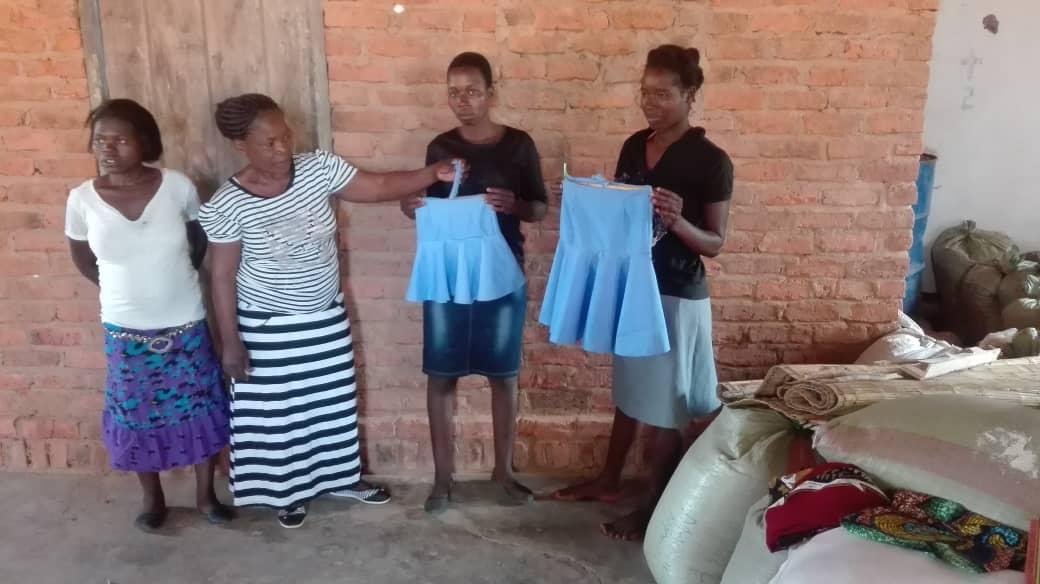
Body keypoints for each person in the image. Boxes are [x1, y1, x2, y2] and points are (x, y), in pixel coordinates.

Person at [200, 93, 464, 529]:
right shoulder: (229, 203)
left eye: (285, 136)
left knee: (332, 405)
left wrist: (431, 174)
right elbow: (222, 276)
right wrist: (230, 343)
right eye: (269, 142)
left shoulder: (318, 168)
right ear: (240, 146)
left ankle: (342, 479)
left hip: (325, 319)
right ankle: (287, 493)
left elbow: (377, 187)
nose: (283, 148)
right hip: (269, 330)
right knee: (279, 415)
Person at [551, 45, 734, 541]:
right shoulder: (635, 145)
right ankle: (610, 479)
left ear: (690, 95)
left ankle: (654, 509)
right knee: (631, 390)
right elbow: (621, 212)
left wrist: (678, 220)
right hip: (632, 286)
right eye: (645, 93)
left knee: (666, 406)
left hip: (677, 291)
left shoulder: (711, 161)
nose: (651, 103)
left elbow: (715, 244)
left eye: (663, 94)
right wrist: (584, 198)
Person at [65, 99, 232, 531]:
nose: (108, 148)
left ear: (145, 141)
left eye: (120, 139)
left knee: (199, 408)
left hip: (186, 324)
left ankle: (204, 495)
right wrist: (128, 291)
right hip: (126, 334)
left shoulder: (177, 187)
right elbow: (84, 261)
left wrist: (168, 284)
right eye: (100, 139)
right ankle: (152, 498)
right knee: (135, 415)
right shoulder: (81, 200)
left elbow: (198, 244)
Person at [400, 52, 548, 513]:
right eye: (453, 92)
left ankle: (503, 472)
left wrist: (515, 205)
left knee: (503, 375)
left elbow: (540, 207)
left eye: (472, 91)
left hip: (502, 276)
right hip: (448, 277)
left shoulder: (519, 145)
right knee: (441, 373)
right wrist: (412, 207)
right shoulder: (440, 147)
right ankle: (443, 479)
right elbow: (425, 202)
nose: (462, 101)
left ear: (491, 93)